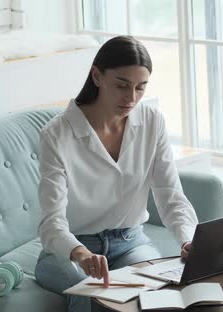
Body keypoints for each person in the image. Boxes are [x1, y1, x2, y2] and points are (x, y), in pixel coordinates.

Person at [34, 35, 199, 312]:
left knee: (157, 291)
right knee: (90, 294)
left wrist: (188, 239)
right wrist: (82, 254)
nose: (131, 98)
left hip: (130, 242)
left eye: (140, 88)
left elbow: (170, 195)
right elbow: (51, 224)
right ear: (97, 76)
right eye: (122, 85)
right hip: (71, 250)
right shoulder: (57, 134)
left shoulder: (152, 121)